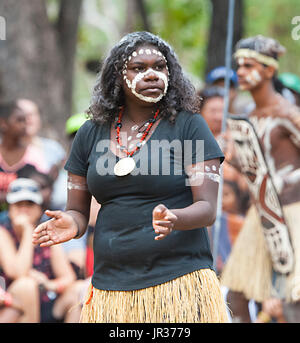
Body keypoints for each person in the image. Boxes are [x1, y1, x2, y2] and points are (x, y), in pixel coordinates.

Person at [32, 31, 228, 323]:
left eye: (160, 67)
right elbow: (78, 211)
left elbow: (207, 209)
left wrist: (175, 218)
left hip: (178, 281)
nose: (152, 75)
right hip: (112, 286)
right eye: (139, 68)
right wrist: (71, 223)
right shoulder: (90, 133)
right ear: (117, 77)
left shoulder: (189, 126)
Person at [221, 35, 300, 322]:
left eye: (249, 65)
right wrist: (230, 158)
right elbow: (254, 171)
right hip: (261, 215)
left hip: (294, 214)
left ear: (269, 70)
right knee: (236, 296)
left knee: (293, 300)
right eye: (238, 65)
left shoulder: (288, 114)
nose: (240, 71)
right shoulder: (247, 119)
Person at [0, 178, 77, 322]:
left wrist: (49, 284)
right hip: (15, 302)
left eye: (29, 204)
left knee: (78, 290)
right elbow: (18, 273)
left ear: (39, 208)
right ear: (10, 208)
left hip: (46, 299)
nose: (24, 209)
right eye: (18, 204)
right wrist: (28, 229)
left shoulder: (47, 231)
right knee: (26, 285)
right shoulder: (3, 232)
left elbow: (69, 277)